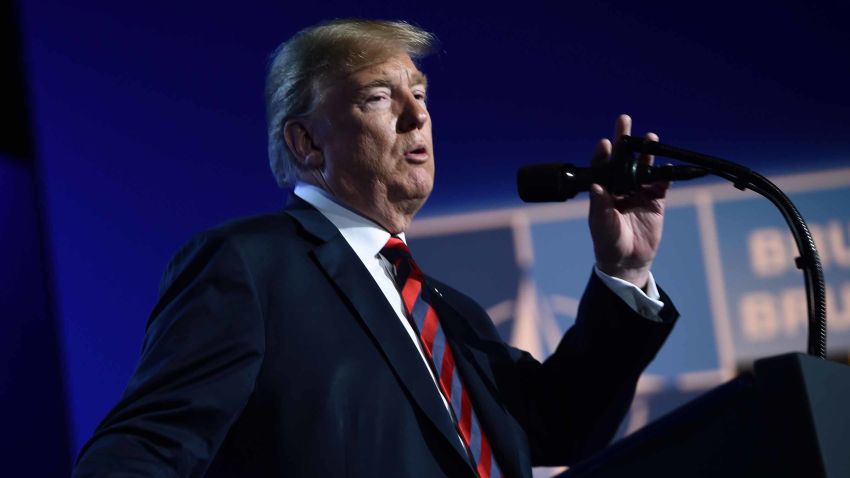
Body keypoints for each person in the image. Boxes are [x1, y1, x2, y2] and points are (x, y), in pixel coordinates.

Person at [73, 19, 678, 478]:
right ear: (308, 142)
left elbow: (559, 428)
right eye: (380, 97)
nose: (418, 117)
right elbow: (141, 453)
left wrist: (624, 270)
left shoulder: (452, 314)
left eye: (420, 94)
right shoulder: (251, 268)